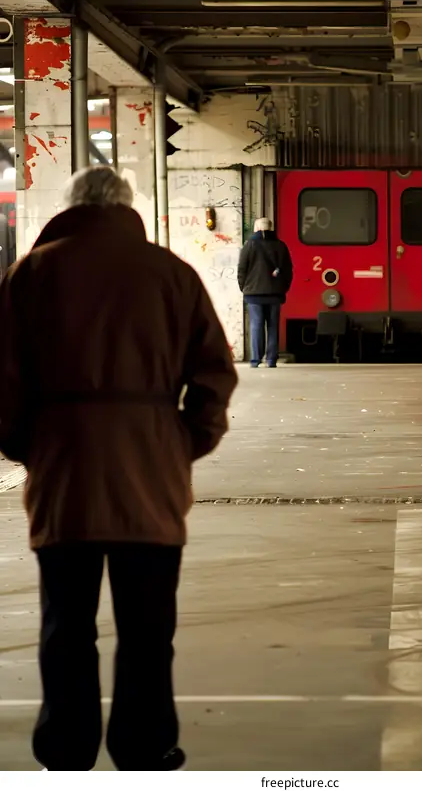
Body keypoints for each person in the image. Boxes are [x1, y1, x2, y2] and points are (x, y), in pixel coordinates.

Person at [0, 165, 237, 771]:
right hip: (150, 477)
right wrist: (180, 443)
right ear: (127, 207)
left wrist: (32, 444)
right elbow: (214, 372)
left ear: (71, 205)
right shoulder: (171, 274)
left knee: (66, 627)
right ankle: (145, 747)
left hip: (64, 474)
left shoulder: (32, 273)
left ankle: (67, 749)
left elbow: (2, 382)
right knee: (148, 629)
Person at [237, 217, 293, 368]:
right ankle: (271, 359)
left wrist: (244, 287)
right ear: (271, 228)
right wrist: (283, 288)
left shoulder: (249, 245)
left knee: (256, 324)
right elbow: (288, 271)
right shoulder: (281, 246)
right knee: (273, 326)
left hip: (254, 293)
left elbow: (242, 269)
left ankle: (255, 360)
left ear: (256, 228)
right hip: (275, 293)